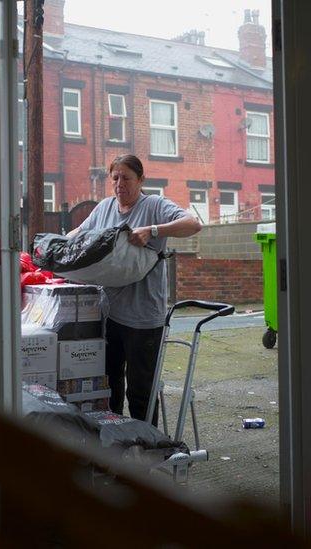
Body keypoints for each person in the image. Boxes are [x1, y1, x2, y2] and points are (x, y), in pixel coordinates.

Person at [68, 154, 202, 425]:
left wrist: (152, 230)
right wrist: (54, 248)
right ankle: (116, 447)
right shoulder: (105, 208)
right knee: (110, 387)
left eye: (126, 178)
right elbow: (77, 235)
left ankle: (145, 454)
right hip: (108, 315)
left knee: (140, 392)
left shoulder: (153, 205)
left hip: (144, 318)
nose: (120, 184)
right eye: (115, 178)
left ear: (141, 180)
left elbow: (193, 224)